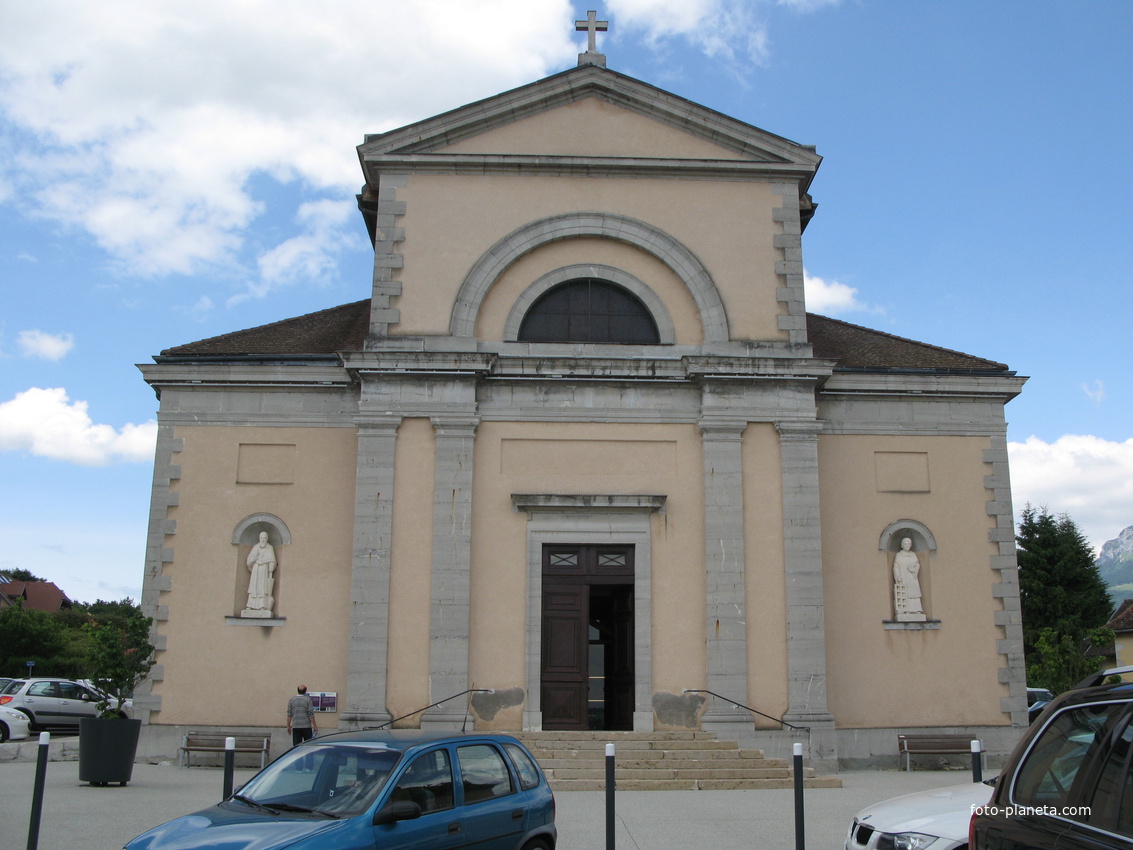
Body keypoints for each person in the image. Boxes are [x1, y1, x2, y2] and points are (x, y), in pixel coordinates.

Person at [244, 531, 277, 614]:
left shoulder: (270, 548)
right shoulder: (255, 547)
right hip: (255, 570)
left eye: (264, 538)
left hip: (264, 570)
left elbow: (272, 559)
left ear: (267, 539)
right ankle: (251, 605)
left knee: (263, 588)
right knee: (253, 588)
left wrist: (271, 565)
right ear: (259, 538)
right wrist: (254, 558)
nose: (262, 539)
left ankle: (263, 605)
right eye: (261, 538)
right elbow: (249, 561)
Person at [893, 537, 924, 615]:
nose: (907, 545)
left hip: (912, 578)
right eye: (905, 544)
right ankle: (904, 610)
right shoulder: (899, 555)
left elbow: (917, 565)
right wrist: (897, 576)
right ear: (902, 545)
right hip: (903, 578)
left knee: (914, 593)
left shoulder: (913, 555)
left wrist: (913, 570)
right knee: (904, 593)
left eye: (909, 544)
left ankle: (916, 610)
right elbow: (896, 566)